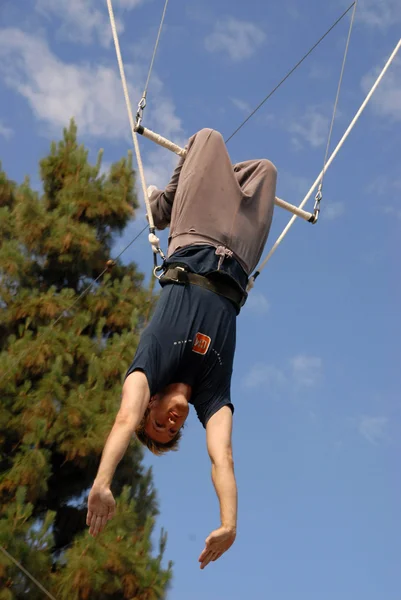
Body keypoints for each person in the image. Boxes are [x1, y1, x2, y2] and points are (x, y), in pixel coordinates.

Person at [86, 128, 277, 569]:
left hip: (195, 237)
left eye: (156, 423)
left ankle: (163, 207)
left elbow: (122, 419)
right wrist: (229, 523)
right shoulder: (211, 395)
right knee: (265, 172)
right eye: (172, 431)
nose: (169, 423)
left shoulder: (150, 364)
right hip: (239, 260)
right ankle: (187, 195)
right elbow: (221, 456)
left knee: (207, 139)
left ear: (150, 405)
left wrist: (102, 482)